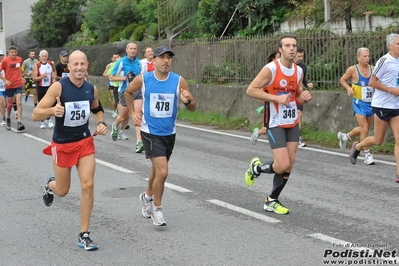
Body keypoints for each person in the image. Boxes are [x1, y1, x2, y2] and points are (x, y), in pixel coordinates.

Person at [31, 50, 107, 250]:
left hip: (84, 142)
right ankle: (50, 186)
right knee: (63, 191)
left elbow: (97, 110)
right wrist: (51, 111)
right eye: (76, 64)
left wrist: (101, 123)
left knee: (88, 185)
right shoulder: (58, 87)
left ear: (87, 65)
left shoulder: (91, 89)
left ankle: (84, 234)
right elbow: (35, 114)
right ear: (69, 67)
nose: (80, 67)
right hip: (62, 144)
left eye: (83, 64)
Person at [125, 46, 196, 226]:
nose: (166, 61)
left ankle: (147, 196)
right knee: (163, 171)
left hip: (169, 133)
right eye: (162, 57)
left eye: (169, 58)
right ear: (154, 60)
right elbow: (127, 92)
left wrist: (189, 100)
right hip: (149, 132)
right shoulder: (145, 79)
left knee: (157, 170)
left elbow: (192, 107)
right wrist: (133, 112)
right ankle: (157, 210)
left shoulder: (179, 81)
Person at [244, 35, 311, 215]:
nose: (291, 48)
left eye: (294, 46)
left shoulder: (298, 71)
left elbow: (296, 95)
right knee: (281, 165)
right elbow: (251, 90)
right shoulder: (271, 69)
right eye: (287, 45)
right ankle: (256, 168)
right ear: (280, 49)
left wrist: (303, 97)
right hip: (275, 122)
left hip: (292, 121)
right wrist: (276, 98)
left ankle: (271, 200)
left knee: (289, 165)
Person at [349, 33, 399, 182]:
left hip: (396, 105)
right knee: (378, 140)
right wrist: (391, 90)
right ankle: (357, 147)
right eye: (398, 44)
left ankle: (398, 173)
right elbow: (372, 82)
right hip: (382, 105)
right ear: (390, 46)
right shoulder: (384, 61)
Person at [338, 47, 375, 165]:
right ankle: (367, 154)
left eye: (368, 56)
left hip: (370, 103)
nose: (367, 58)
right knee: (364, 128)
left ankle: (345, 137)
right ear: (358, 57)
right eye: (364, 56)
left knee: (364, 129)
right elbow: (342, 80)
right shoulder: (353, 70)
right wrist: (349, 88)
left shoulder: (373, 69)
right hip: (358, 102)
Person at [109, 42, 142, 148]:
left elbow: (141, 76)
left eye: (134, 49)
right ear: (127, 50)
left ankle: (139, 142)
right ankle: (115, 126)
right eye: (131, 48)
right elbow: (111, 77)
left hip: (137, 91)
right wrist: (125, 78)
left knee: (138, 114)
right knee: (123, 116)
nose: (133, 50)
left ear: (136, 51)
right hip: (124, 91)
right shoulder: (121, 62)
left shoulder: (139, 62)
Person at [250, 49, 280, 145]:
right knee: (268, 128)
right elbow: (258, 89)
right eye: (279, 57)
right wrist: (267, 101)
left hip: (282, 105)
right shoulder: (269, 70)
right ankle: (257, 133)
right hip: (270, 104)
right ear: (273, 58)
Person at [0, 46, 25, 131]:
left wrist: (21, 77)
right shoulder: (5, 61)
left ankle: (19, 122)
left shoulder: (20, 59)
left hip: (18, 84)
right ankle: (8, 119)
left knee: (19, 102)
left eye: (15, 52)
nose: (14, 54)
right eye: (12, 52)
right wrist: (5, 80)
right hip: (9, 85)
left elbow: (19, 70)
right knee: (9, 105)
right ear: (9, 53)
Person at [294, 47, 313, 147]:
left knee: (299, 114)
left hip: (299, 93)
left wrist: (308, 83)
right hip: (288, 94)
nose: (301, 58)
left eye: (302, 56)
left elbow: (303, 79)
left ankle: (297, 137)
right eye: (299, 56)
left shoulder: (303, 66)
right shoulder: (288, 65)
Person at [32, 50, 57, 129]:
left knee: (49, 104)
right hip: (41, 87)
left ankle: (48, 119)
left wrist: (54, 78)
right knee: (42, 105)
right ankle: (42, 121)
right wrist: (42, 76)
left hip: (49, 86)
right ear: (39, 57)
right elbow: (34, 78)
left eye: (45, 56)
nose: (44, 58)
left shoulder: (51, 63)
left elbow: (54, 71)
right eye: (42, 56)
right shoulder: (37, 65)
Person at [103, 52, 120, 118]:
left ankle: (119, 112)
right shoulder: (109, 65)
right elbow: (104, 74)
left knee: (120, 99)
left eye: (117, 57)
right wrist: (106, 75)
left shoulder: (120, 64)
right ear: (112, 58)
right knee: (115, 99)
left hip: (119, 83)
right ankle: (114, 111)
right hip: (112, 84)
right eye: (114, 58)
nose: (116, 59)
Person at [0, 50, 5, 125]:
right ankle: (3, 118)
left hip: (7, 86)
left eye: (1, 55)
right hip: (0, 87)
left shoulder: (6, 63)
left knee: (6, 105)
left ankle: (5, 115)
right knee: (1, 102)